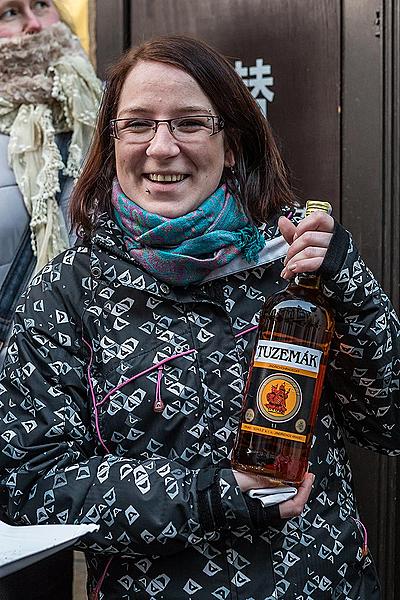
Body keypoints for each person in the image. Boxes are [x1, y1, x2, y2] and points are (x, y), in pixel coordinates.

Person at [0, 35, 398, 600]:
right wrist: (212, 495)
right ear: (111, 141)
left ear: (232, 144)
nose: (162, 147)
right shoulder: (68, 290)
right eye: (137, 124)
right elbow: (28, 484)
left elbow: (390, 423)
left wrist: (352, 290)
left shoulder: (294, 265)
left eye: (189, 123)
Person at [0, 0, 102, 366]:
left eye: (41, 5)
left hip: (89, 367)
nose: (34, 25)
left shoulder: (107, 113)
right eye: (9, 13)